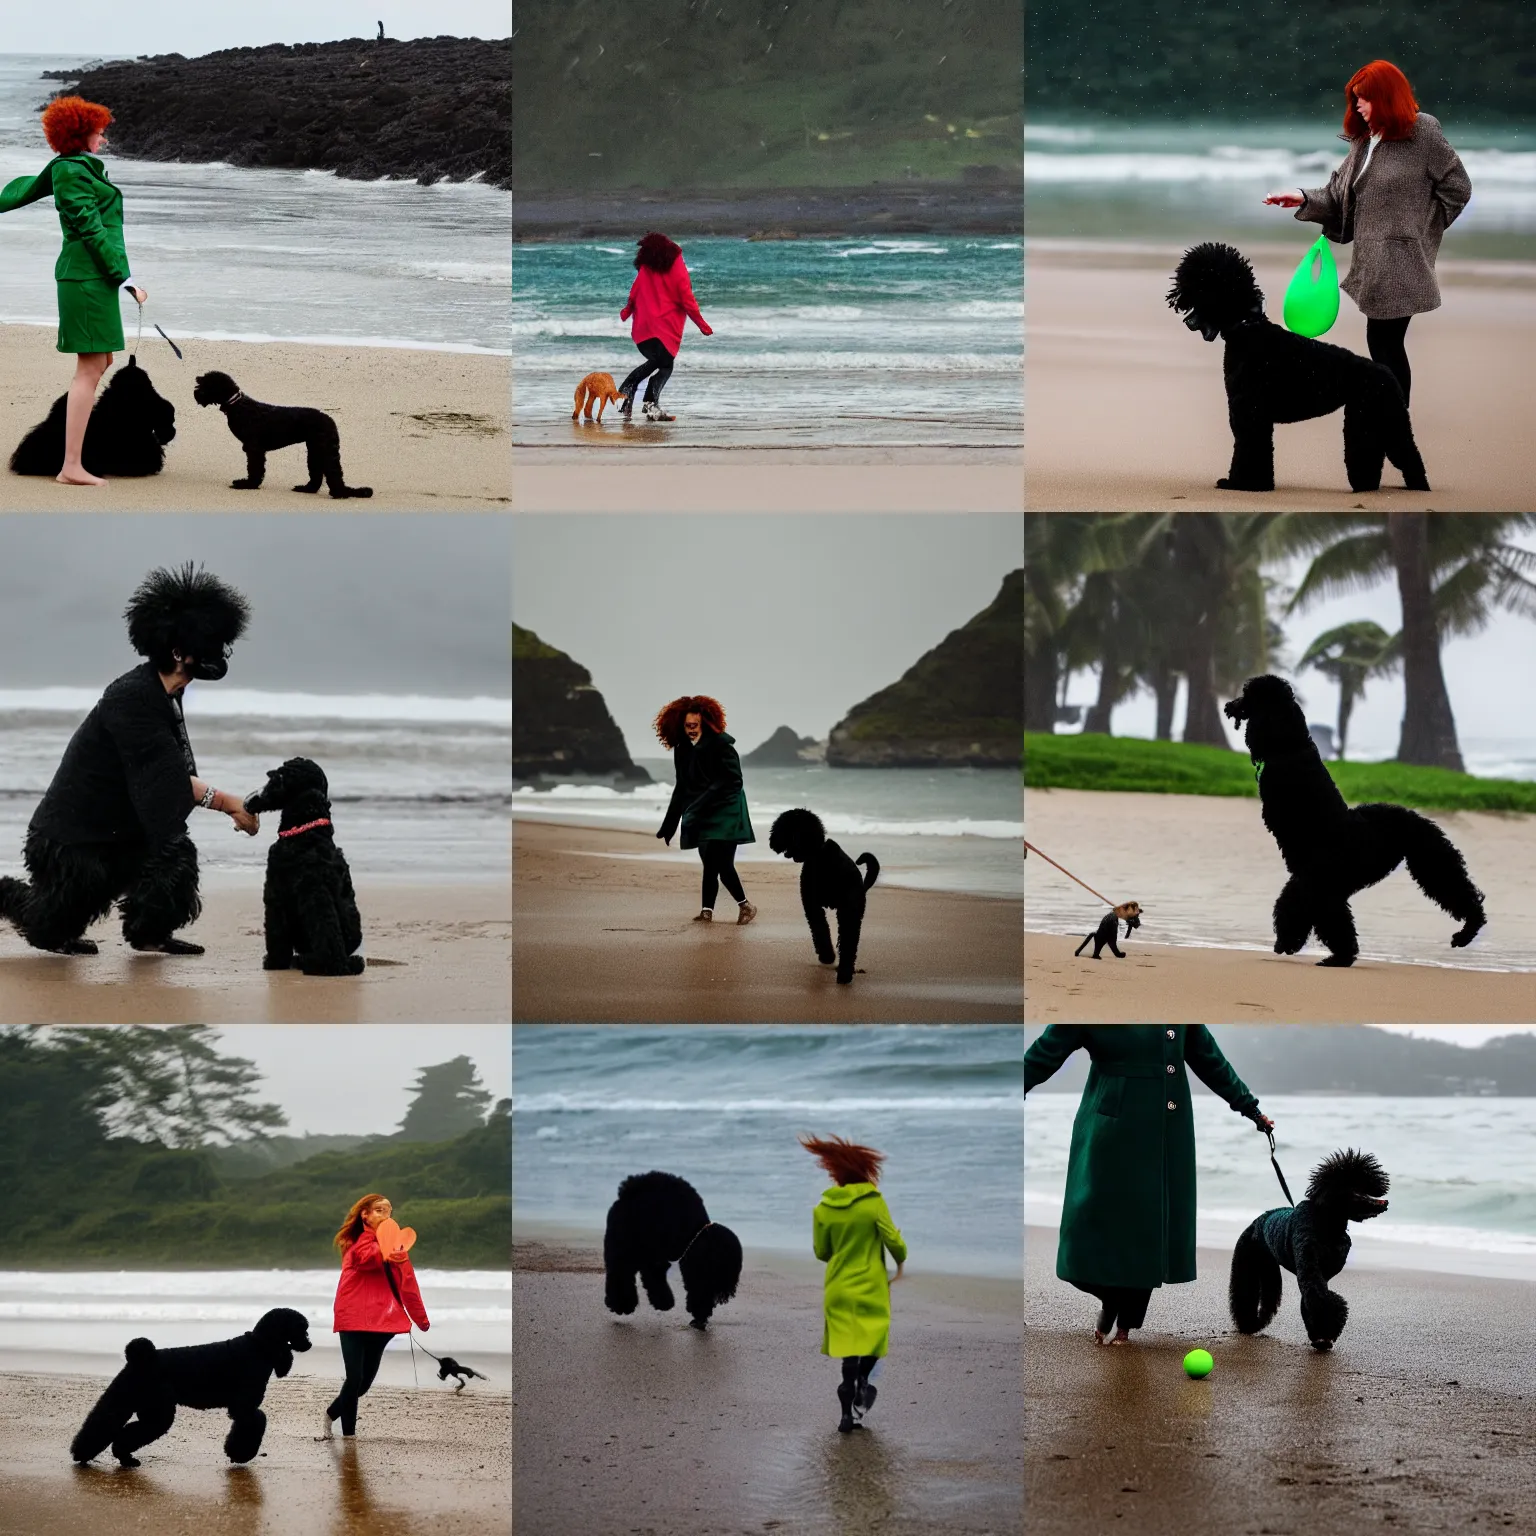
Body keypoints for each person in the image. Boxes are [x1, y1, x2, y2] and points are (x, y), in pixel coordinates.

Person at [0, 565, 255, 956]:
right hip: (69, 841)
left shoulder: (164, 694)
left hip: (117, 832)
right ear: (179, 650)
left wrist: (231, 803)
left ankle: (149, 934)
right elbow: (167, 785)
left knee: (173, 851)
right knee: (51, 928)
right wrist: (229, 804)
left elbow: (169, 777)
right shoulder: (132, 698)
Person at [1024, 1025, 1274, 1343]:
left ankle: (1125, 1323)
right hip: (1109, 1127)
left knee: (1150, 1229)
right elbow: (1044, 1054)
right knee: (1084, 1224)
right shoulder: (1094, 998)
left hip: (1168, 1130)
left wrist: (1249, 1107)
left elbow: (1210, 1059)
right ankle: (1110, 1298)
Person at [1263, 59, 1470, 406]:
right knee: (1383, 343)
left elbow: (1458, 189)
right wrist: (1300, 197)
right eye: (1355, 97)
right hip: (1372, 260)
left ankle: (1393, 418)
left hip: (1403, 262)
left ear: (1388, 96)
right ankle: (1392, 418)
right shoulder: (1364, 140)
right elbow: (1338, 195)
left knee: (1385, 343)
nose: (1358, 104)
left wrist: (1418, 233)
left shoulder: (1423, 133)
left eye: (1365, 97)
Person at [0, 95, 147, 485]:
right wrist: (125, 278)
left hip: (96, 277)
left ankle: (75, 458)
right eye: (99, 133)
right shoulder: (70, 171)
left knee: (101, 363)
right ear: (81, 134)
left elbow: (21, 192)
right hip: (85, 279)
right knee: (88, 369)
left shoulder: (80, 167)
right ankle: (70, 466)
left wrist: (121, 276)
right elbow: (91, 229)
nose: (104, 139)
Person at [801, 1133, 906, 1434]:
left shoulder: (822, 1208)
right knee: (874, 1338)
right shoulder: (873, 1203)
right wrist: (899, 1255)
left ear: (836, 1175)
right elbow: (895, 1244)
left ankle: (846, 1416)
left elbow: (822, 1253)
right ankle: (863, 1380)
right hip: (871, 1285)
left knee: (848, 1349)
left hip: (838, 1287)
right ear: (865, 1171)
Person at [322, 1193, 429, 1440]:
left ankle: (330, 1413)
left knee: (364, 1384)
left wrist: (421, 1319)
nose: (386, 1215)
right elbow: (365, 1259)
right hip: (353, 1317)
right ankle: (349, 1436)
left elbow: (408, 1283)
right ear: (365, 1215)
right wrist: (385, 1251)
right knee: (354, 1377)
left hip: (383, 1321)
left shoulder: (397, 1246)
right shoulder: (357, 1243)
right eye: (379, 1210)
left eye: (389, 1211)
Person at [654, 694, 756, 925]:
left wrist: (700, 803)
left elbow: (734, 781)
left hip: (727, 806)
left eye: (695, 725)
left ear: (706, 723)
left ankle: (746, 906)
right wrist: (670, 824)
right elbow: (681, 787)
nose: (691, 730)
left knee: (721, 862)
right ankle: (707, 912)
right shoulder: (682, 749)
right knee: (708, 859)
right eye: (687, 726)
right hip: (701, 808)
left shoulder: (722, 745)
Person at [617, 232, 712, 422]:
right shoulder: (676, 265)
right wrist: (702, 325)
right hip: (663, 330)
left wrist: (627, 312)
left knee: (661, 364)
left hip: (642, 330)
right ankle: (638, 396)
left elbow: (634, 292)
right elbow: (687, 299)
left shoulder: (645, 268)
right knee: (665, 365)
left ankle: (635, 398)